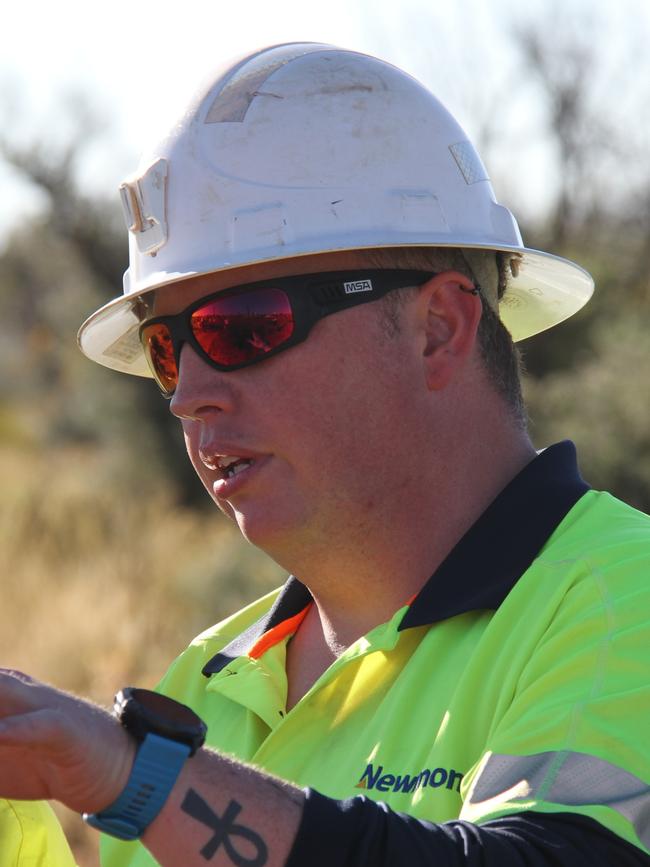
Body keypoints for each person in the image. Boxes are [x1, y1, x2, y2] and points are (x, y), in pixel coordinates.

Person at [0, 43, 648, 867]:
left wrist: (144, 782)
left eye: (240, 327)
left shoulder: (622, 597)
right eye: (166, 349)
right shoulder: (206, 679)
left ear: (438, 328)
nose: (185, 392)